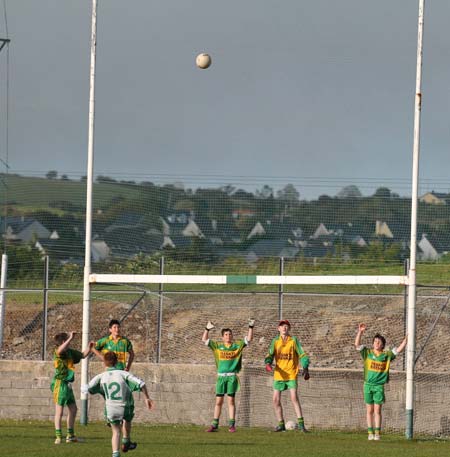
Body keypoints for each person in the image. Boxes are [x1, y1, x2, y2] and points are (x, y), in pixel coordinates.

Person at [84, 351, 154, 456]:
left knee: (115, 432)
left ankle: (115, 454)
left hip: (111, 409)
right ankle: (126, 440)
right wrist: (147, 398)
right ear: (117, 362)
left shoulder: (101, 376)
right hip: (124, 406)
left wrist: (101, 391)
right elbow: (141, 383)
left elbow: (87, 388)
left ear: (104, 363)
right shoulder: (123, 374)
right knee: (128, 418)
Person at [354, 323, 407, 441]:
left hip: (379, 386)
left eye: (379, 342)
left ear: (382, 345)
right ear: (372, 343)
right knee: (369, 410)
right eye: (375, 341)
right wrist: (360, 332)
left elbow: (398, 350)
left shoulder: (386, 355)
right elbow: (357, 344)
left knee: (377, 410)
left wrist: (406, 340)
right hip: (367, 385)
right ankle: (370, 433)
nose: (376, 343)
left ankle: (377, 433)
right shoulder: (367, 353)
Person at [202, 318, 254, 433]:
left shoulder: (237, 346)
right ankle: (215, 425)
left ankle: (232, 425)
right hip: (221, 377)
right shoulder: (217, 346)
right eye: (226, 334)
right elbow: (204, 339)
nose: (228, 336)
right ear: (222, 337)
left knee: (231, 401)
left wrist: (250, 327)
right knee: (218, 401)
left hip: (231, 377)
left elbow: (249, 339)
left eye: (230, 334)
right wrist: (207, 329)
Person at [265, 319, 310, 432]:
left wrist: (305, 367)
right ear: (278, 329)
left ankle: (301, 425)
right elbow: (270, 355)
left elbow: (302, 354)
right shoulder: (275, 341)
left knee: (294, 397)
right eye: (282, 326)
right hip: (279, 374)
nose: (284, 328)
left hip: (291, 373)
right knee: (275, 400)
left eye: (286, 326)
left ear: (289, 328)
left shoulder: (293, 340)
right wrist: (268, 363)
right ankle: (280, 424)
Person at [51, 331, 94, 444]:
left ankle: (70, 436)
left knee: (73, 409)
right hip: (59, 383)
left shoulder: (70, 352)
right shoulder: (58, 352)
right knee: (59, 411)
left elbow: (83, 355)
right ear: (64, 342)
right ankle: (58, 436)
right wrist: (70, 338)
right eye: (67, 341)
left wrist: (90, 347)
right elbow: (60, 350)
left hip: (67, 385)